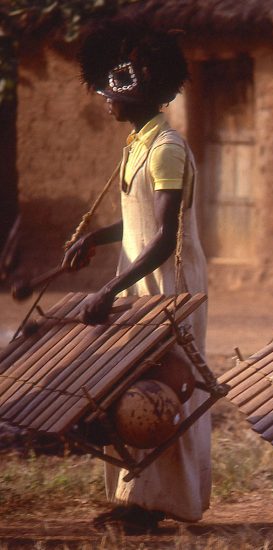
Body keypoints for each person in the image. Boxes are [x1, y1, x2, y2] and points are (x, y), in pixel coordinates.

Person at [63, 21, 210, 530]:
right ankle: (133, 497)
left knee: (165, 389)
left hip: (171, 286)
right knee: (127, 388)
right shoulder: (136, 145)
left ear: (137, 96)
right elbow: (136, 220)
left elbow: (165, 234)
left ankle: (158, 504)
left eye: (111, 92)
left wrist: (107, 289)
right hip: (138, 279)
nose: (105, 100)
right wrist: (95, 240)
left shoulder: (167, 147)